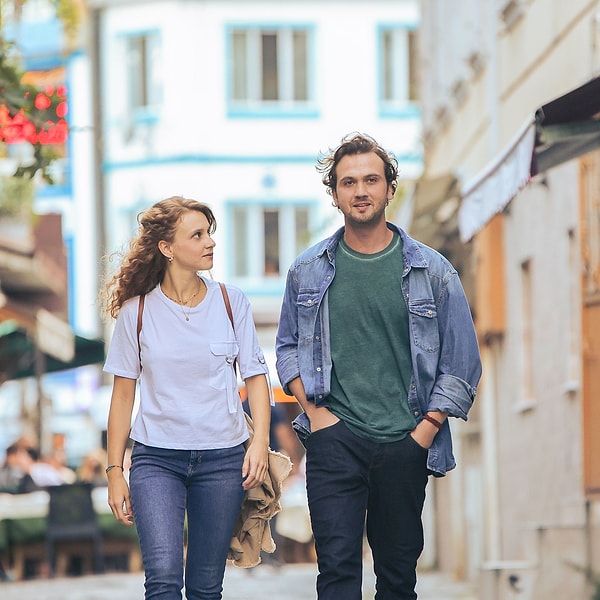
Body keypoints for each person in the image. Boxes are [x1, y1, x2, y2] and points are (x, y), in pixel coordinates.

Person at [275, 133, 482, 600]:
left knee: (396, 579)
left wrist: (424, 431)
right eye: (348, 182)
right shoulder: (307, 271)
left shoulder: (433, 271)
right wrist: (318, 415)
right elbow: (286, 347)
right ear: (334, 194)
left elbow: (462, 361)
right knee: (336, 576)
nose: (360, 191)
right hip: (334, 440)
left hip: (403, 440)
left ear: (390, 188)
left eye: (371, 179)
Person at [101, 196, 272, 600]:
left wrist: (260, 442)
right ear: (167, 247)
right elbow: (123, 398)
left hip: (222, 460)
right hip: (156, 460)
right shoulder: (136, 312)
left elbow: (257, 378)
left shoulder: (232, 303)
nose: (209, 242)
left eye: (209, 232)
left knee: (205, 586)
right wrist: (113, 470)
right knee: (162, 580)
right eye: (197, 235)